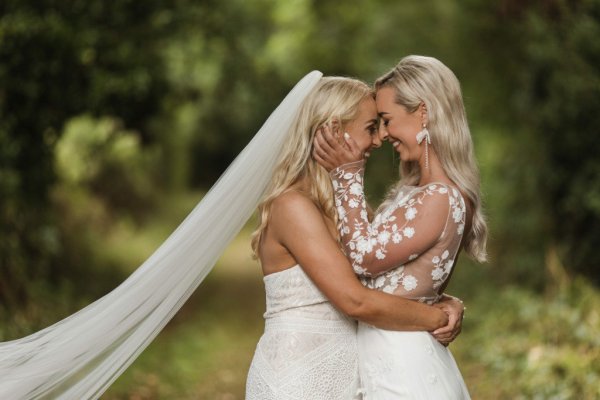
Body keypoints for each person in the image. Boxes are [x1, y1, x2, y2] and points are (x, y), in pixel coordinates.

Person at [245, 76, 465, 400]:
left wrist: (448, 299)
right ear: (334, 130)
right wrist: (435, 316)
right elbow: (354, 299)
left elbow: (384, 280)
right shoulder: (292, 206)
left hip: (347, 377)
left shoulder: (337, 210)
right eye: (370, 127)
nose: (378, 140)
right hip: (298, 377)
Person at [313, 55, 488, 399]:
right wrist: (445, 301)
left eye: (387, 120)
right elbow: (397, 277)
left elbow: (362, 260)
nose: (383, 134)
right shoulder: (416, 193)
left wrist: (347, 176)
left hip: (402, 362)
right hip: (386, 352)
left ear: (423, 111)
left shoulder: (440, 197)